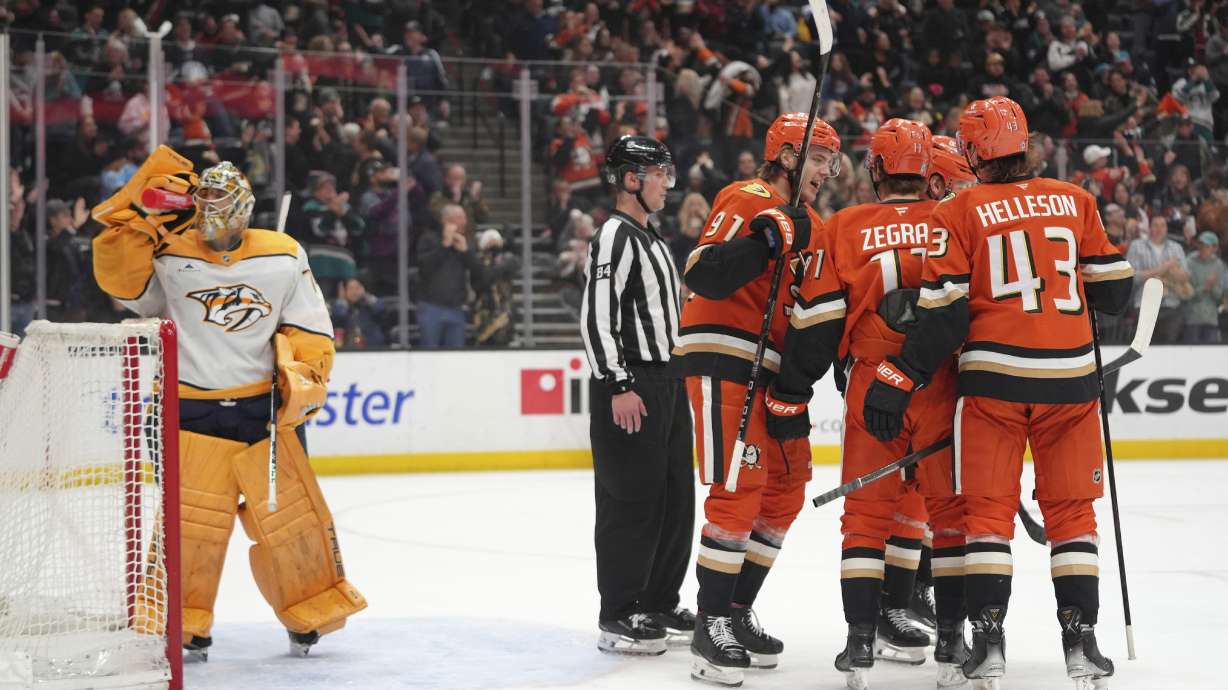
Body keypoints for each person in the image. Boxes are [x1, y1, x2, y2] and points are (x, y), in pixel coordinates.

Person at [861, 97, 1134, 689]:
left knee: (986, 517)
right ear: (1024, 143)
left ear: (971, 151)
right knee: (1073, 517)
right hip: (1071, 384)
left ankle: (987, 645)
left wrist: (899, 375)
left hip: (994, 387)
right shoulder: (1076, 199)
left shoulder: (960, 210)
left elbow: (945, 317)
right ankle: (1080, 643)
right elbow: (1115, 292)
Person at [90, 146, 366, 660]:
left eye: (222, 200)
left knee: (292, 523)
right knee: (191, 526)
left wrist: (303, 374)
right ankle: (185, 620)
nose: (212, 213)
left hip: (263, 409)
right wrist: (133, 224)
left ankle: (311, 610)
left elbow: (308, 323)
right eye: (205, 199)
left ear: (243, 207)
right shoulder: (170, 254)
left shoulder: (282, 253)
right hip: (189, 408)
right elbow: (120, 283)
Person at [782, 119, 965, 688]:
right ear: (928, 172)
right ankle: (953, 642)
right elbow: (968, 309)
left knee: (864, 518)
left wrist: (792, 388)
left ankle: (861, 641)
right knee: (951, 517)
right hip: (940, 382)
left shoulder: (843, 225)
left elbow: (815, 323)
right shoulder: (952, 220)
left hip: (870, 385)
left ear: (877, 168)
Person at [673, 112, 846, 687]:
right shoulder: (748, 196)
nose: (826, 170)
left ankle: (736, 610)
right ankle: (710, 623)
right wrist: (769, 235)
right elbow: (705, 273)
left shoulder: (815, 224)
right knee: (739, 490)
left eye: (829, 159)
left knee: (785, 490)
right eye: (818, 157)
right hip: (724, 355)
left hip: (773, 373)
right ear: (789, 155)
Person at [579, 135, 695, 656]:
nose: (668, 186)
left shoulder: (652, 239)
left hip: (669, 382)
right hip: (634, 384)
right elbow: (596, 315)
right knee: (632, 502)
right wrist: (617, 382)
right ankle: (619, 611)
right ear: (631, 180)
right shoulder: (613, 237)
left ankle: (658, 600)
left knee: (674, 500)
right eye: (660, 175)